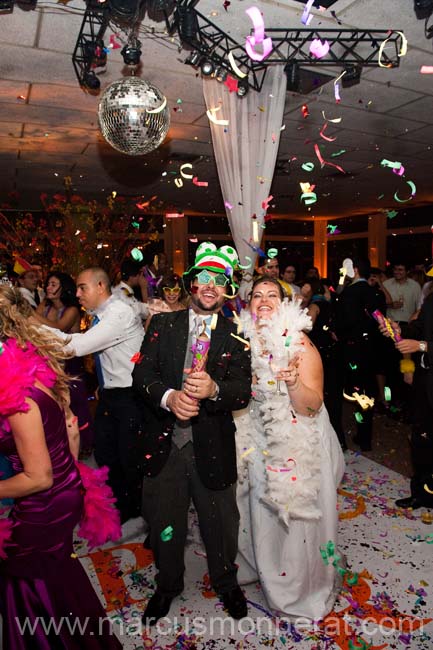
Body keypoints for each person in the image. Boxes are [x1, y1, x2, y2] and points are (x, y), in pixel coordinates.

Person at [132, 242, 252, 625]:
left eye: (219, 280)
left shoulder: (236, 336)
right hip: (164, 444)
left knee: (221, 522)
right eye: (203, 277)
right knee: (165, 521)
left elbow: (243, 389)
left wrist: (215, 390)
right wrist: (168, 398)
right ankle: (167, 585)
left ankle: (225, 581)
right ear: (191, 284)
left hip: (212, 444)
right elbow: (142, 375)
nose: (210, 285)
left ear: (227, 288)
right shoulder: (163, 325)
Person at [0, 284, 122, 649]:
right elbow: (70, 430)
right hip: (64, 492)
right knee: (57, 576)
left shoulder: (14, 394)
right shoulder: (32, 364)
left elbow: (38, 477)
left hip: (45, 502)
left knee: (25, 584)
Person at [234, 276, 345, 620]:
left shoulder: (299, 344)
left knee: (297, 515)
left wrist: (294, 382)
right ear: (248, 303)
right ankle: (263, 565)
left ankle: (300, 588)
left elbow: (312, 406)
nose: (263, 300)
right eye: (257, 295)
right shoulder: (246, 339)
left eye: (272, 295)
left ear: (285, 304)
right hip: (261, 436)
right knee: (263, 506)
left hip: (301, 437)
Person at [53, 267, 146, 524]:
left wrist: (32, 333)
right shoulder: (102, 314)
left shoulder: (117, 313)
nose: (78, 293)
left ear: (101, 287)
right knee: (106, 454)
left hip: (130, 396)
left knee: (130, 458)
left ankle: (145, 510)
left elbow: (78, 346)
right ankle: (123, 505)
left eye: (83, 287)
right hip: (111, 393)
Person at [379, 294, 433, 510]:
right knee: (421, 440)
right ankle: (421, 494)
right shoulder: (430, 298)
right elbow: (419, 327)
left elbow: (421, 342)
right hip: (425, 383)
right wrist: (399, 330)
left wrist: (421, 346)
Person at [32, 271, 94, 450]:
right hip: (49, 360)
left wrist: (30, 314)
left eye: (53, 284)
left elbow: (59, 328)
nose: (48, 288)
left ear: (63, 287)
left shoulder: (73, 310)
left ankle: (83, 444)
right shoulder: (45, 305)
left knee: (76, 403)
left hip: (70, 361)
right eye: (48, 284)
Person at [336, 257, 383, 451]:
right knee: (367, 392)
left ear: (354, 270)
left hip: (353, 348)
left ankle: (357, 435)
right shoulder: (374, 292)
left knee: (354, 390)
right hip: (371, 347)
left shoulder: (350, 292)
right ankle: (365, 436)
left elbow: (344, 321)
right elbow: (379, 318)